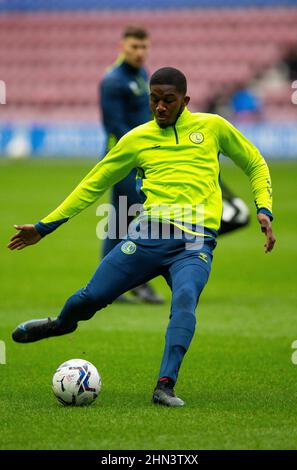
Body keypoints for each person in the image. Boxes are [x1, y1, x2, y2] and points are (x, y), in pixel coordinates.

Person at [8, 67, 275, 407]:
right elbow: (93, 183)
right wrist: (45, 227)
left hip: (195, 243)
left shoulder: (213, 128)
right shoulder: (136, 139)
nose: (160, 107)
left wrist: (264, 209)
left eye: (168, 101)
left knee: (185, 300)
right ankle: (61, 323)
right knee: (90, 298)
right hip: (147, 237)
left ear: (185, 101)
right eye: (154, 100)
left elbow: (255, 163)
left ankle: (165, 385)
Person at [99, 26, 163, 304]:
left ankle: (112, 285)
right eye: (134, 47)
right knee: (141, 220)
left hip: (139, 158)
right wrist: (142, 152)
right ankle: (133, 283)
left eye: (144, 47)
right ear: (123, 46)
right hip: (125, 160)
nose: (140, 52)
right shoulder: (112, 81)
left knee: (122, 222)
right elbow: (114, 125)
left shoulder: (142, 74)